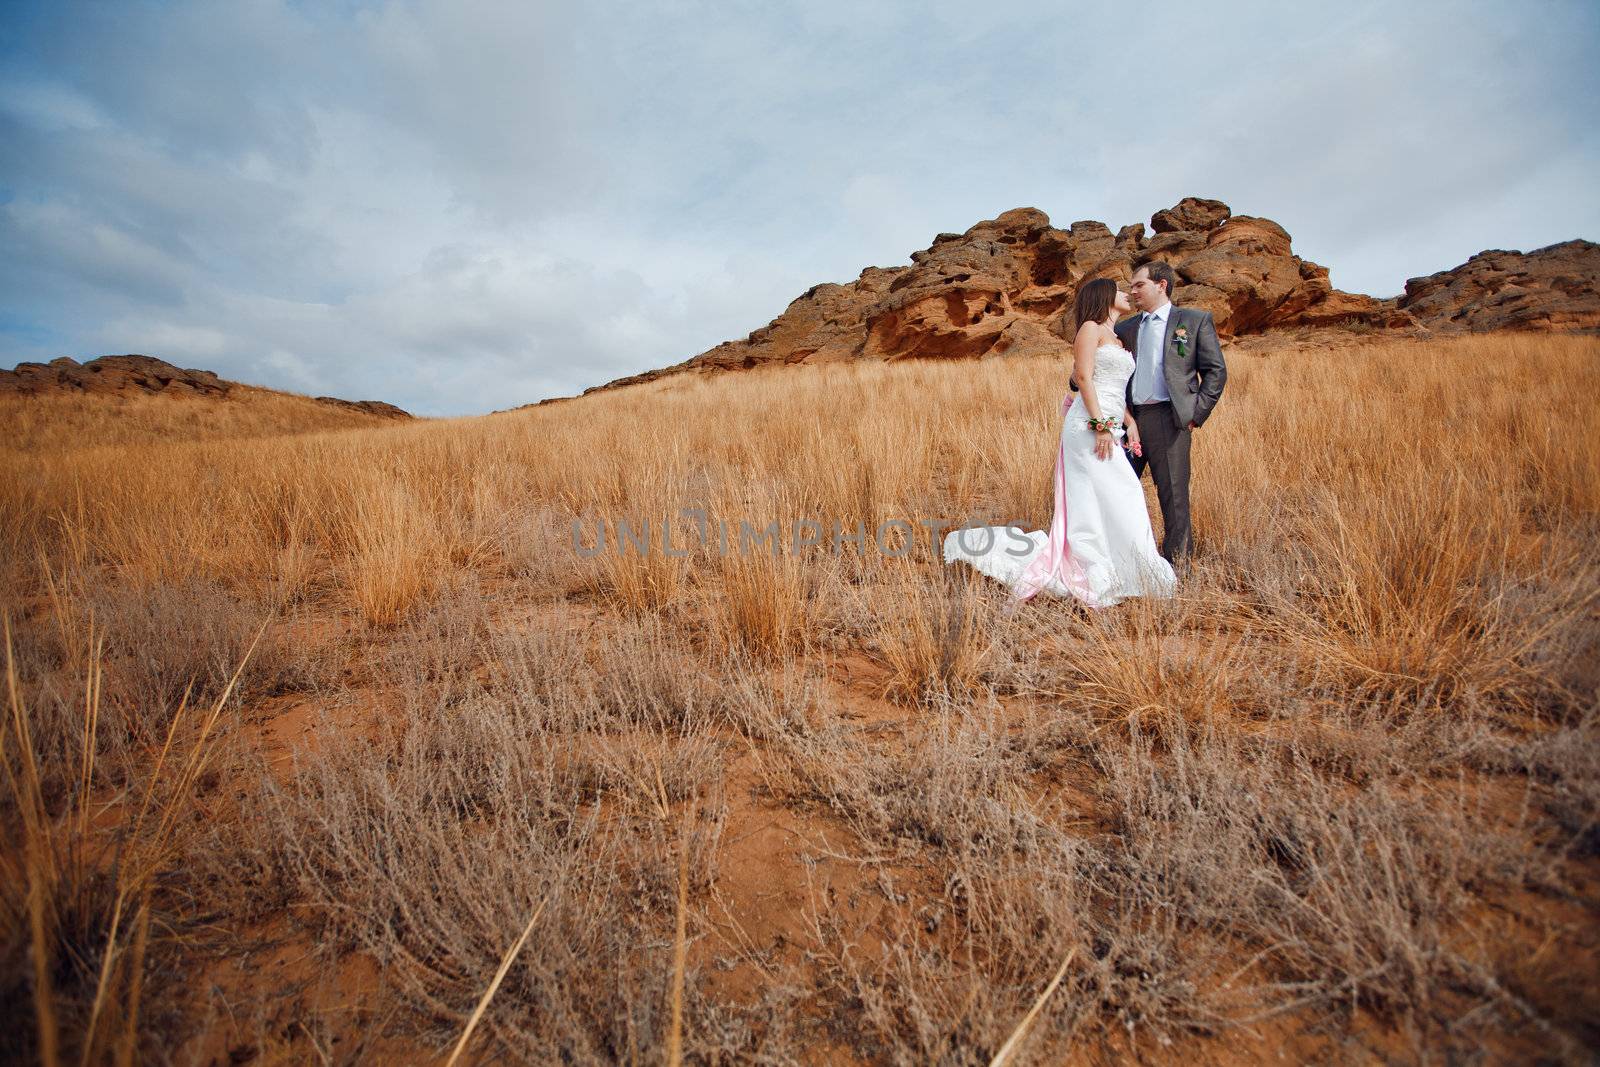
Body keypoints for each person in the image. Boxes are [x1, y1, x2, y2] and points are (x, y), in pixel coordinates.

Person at [943, 278, 1176, 609]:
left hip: (1110, 424)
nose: (1127, 294)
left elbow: (1110, 385)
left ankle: (1125, 568)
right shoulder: (1090, 329)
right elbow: (1082, 378)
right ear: (1105, 296)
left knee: (1118, 494)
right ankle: (1093, 567)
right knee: (1112, 492)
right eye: (1120, 290)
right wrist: (1099, 425)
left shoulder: (1117, 337)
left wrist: (1129, 421)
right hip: (1087, 428)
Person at [1114, 260, 1227, 563]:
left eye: (1139, 284)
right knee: (1115, 488)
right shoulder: (1125, 328)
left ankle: (1178, 567)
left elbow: (1215, 372)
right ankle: (1125, 558)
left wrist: (1194, 413)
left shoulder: (1193, 321)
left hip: (1171, 420)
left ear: (1161, 285)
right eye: (1131, 285)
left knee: (1174, 496)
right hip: (1129, 423)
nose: (1133, 290)